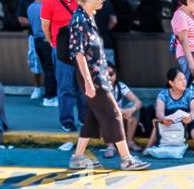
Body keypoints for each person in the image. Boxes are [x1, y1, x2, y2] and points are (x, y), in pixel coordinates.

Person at [67, 0, 149, 169]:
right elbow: (79, 54)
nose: (102, 0)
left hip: (98, 77)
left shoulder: (87, 17)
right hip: (93, 79)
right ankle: (126, 159)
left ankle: (77, 157)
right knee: (114, 114)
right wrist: (89, 82)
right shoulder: (79, 20)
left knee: (92, 118)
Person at [147, 63, 194, 158]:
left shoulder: (190, 93)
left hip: (185, 122)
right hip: (169, 121)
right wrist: (163, 118)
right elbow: (159, 111)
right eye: (180, 80)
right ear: (171, 83)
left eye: (184, 79)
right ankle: (149, 147)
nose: (184, 82)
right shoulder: (163, 94)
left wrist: (190, 117)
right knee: (158, 123)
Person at [41, 0, 80, 131]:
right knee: (65, 86)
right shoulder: (49, 2)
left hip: (81, 47)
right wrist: (52, 43)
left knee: (84, 85)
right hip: (61, 47)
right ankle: (67, 120)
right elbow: (45, 26)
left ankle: (85, 118)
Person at [21, 0, 58, 104]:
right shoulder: (48, 5)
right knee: (51, 70)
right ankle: (50, 97)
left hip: (37, 40)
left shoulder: (31, 7)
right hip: (47, 40)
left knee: (48, 70)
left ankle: (51, 96)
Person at [107, 63, 142, 154]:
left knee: (134, 111)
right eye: (105, 75)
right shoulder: (99, 87)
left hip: (120, 115)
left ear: (115, 74)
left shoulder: (120, 86)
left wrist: (130, 110)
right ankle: (110, 146)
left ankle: (129, 142)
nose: (109, 77)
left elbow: (138, 102)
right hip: (106, 117)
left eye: (111, 74)